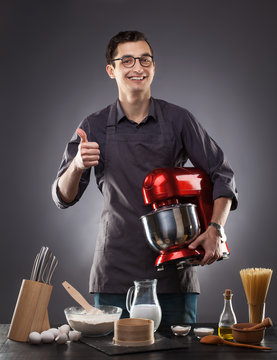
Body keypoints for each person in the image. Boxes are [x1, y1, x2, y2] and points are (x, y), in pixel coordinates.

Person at [52, 30, 238, 325]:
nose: (137, 67)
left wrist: (216, 228)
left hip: (175, 273)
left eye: (144, 60)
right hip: (114, 276)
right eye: (126, 60)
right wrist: (76, 165)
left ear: (154, 67)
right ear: (111, 70)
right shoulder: (94, 125)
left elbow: (222, 173)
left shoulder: (179, 120)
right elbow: (63, 196)